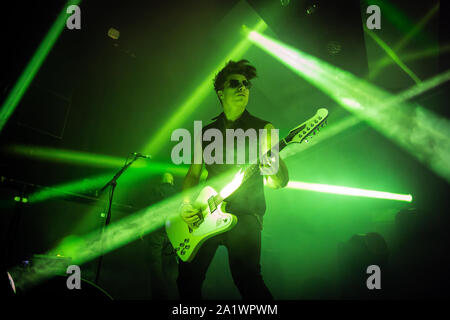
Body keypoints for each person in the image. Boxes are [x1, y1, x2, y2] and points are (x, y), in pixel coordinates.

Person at [177, 59, 289, 300]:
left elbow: (279, 182)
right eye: (235, 83)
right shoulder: (206, 133)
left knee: (247, 280)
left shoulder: (264, 129)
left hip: (245, 215)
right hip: (206, 213)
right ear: (221, 93)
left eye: (246, 84)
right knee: (187, 279)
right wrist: (187, 204)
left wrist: (272, 167)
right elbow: (193, 174)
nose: (242, 87)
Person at [144, 172, 179, 299]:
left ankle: (158, 296)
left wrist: (144, 227)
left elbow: (150, 209)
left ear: (161, 180)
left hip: (157, 231)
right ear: (172, 181)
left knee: (155, 265)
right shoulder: (176, 193)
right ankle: (171, 295)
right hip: (171, 232)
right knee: (169, 266)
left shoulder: (156, 190)